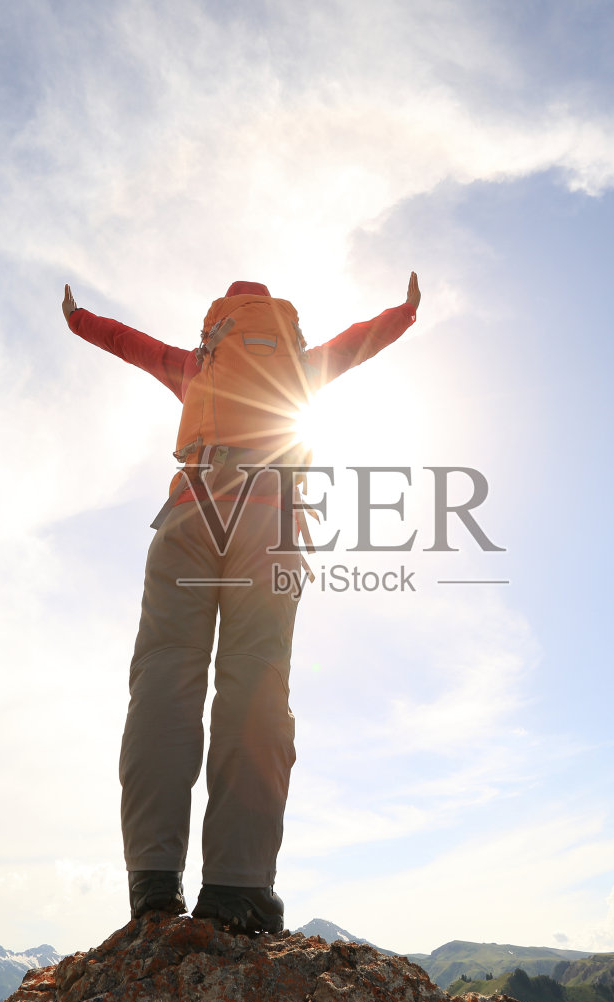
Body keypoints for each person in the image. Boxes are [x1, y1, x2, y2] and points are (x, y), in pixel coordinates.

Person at [62, 274, 421, 934]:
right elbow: (360, 341)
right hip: (268, 520)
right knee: (255, 684)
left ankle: (153, 880)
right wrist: (405, 312)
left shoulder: (195, 364)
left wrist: (78, 318)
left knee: (164, 682)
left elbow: (128, 343)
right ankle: (236, 886)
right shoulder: (301, 368)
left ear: (216, 324)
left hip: (188, 512)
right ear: (282, 331)